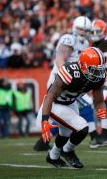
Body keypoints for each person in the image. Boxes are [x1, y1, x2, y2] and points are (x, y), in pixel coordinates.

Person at [34, 16, 102, 150]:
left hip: (74, 79)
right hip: (61, 79)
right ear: (74, 28)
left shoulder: (86, 44)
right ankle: (95, 136)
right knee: (86, 105)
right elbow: (60, 58)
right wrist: (66, 76)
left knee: (64, 117)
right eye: (80, 29)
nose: (82, 32)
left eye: (85, 30)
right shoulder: (69, 39)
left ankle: (43, 142)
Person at [36, 47, 107, 168]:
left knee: (66, 132)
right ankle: (67, 151)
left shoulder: (97, 77)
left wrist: (101, 108)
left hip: (70, 103)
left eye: (99, 70)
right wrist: (44, 120)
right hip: (54, 104)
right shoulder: (70, 71)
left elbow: (99, 99)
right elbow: (50, 95)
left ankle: (53, 157)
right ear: (83, 66)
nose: (97, 73)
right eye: (93, 70)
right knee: (82, 127)